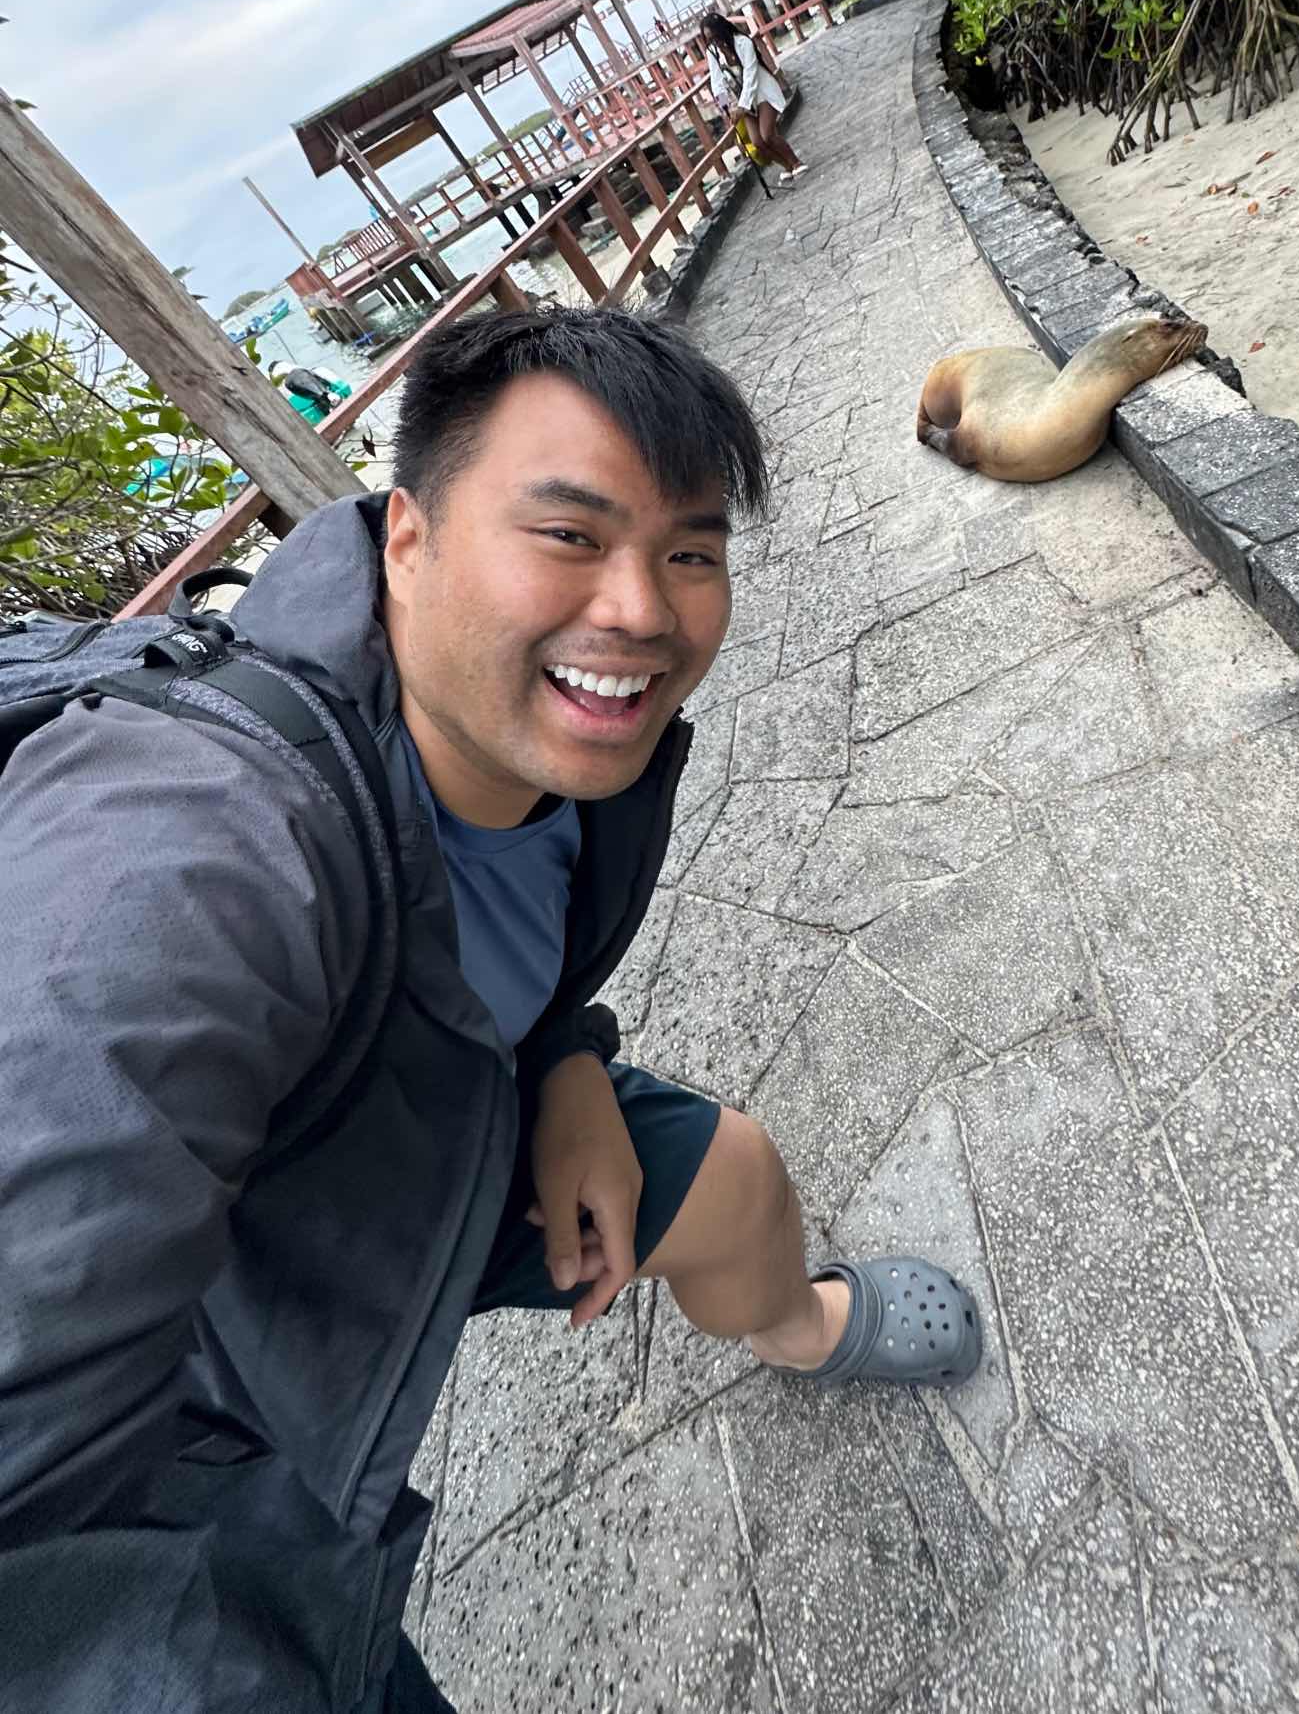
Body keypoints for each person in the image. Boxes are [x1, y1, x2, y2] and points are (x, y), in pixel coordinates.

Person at [0, 308, 980, 1712]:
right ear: (407, 534)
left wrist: (564, 1054)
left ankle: (797, 1329)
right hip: (223, 1395)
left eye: (689, 549)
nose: (644, 608)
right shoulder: (193, 843)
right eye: (570, 535)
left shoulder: (530, 737)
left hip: (450, 1101)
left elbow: (503, 936)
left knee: (737, 1185)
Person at [701, 8, 807, 183]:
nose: (714, 42)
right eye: (709, 39)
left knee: (768, 135)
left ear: (722, 31)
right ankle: (786, 166)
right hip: (743, 102)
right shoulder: (713, 52)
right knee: (757, 143)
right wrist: (725, 106)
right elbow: (716, 81)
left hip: (762, 92)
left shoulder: (743, 43)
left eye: (714, 37)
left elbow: (751, 75)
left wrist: (742, 106)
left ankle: (796, 162)